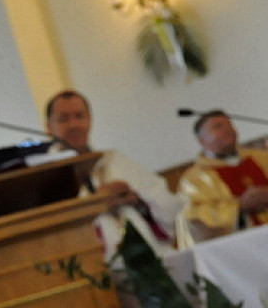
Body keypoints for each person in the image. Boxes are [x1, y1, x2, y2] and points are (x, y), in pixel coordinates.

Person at [45, 89, 180, 259]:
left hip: (150, 260)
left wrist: (137, 200)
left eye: (80, 116)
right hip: (96, 268)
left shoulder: (114, 160)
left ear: (90, 120)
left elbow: (168, 204)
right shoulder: (44, 175)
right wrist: (95, 204)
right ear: (49, 127)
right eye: (64, 119)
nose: (74, 125)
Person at [176, 109, 268, 245]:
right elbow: (196, 220)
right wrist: (240, 207)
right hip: (242, 248)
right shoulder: (193, 180)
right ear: (202, 141)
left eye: (229, 125)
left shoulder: (262, 157)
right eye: (218, 126)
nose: (228, 129)